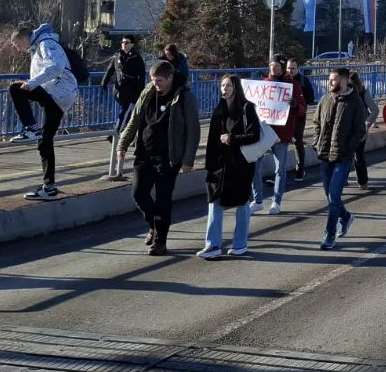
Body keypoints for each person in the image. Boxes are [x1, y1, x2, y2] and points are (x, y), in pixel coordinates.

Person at [117, 60, 199, 256]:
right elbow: (135, 119)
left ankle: (160, 241)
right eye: (154, 80)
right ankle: (153, 225)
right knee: (138, 194)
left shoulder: (183, 96)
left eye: (160, 81)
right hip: (144, 152)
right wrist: (123, 144)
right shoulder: (148, 92)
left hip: (168, 157)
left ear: (170, 78)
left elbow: (193, 130)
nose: (156, 84)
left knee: (163, 199)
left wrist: (188, 160)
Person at [7, 23, 80, 201]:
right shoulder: (40, 44)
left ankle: (30, 127)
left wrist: (32, 83)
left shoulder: (45, 43)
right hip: (59, 97)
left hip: (57, 90)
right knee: (45, 141)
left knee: (15, 89)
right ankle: (49, 187)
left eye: (18, 45)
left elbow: (55, 67)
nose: (18, 49)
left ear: (25, 38)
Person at [200, 75, 261, 259]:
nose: (224, 89)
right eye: (222, 85)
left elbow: (254, 135)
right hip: (219, 165)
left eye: (228, 85)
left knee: (241, 202)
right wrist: (209, 164)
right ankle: (213, 245)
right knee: (214, 201)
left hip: (239, 164)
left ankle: (240, 244)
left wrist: (232, 139)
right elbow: (212, 139)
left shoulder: (247, 108)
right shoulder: (219, 109)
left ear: (236, 88)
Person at [311, 67, 368, 250]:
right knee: (329, 196)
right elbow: (317, 122)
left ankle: (329, 234)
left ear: (343, 81)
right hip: (325, 154)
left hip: (343, 156)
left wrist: (348, 147)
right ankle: (346, 217)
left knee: (334, 195)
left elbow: (360, 130)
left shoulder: (355, 102)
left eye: (333, 80)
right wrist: (316, 142)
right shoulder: (326, 99)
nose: (330, 83)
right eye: (330, 80)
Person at [251, 56, 306, 214]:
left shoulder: (293, 85)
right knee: (254, 165)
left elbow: (302, 109)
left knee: (280, 169)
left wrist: (295, 105)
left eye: (276, 66)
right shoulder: (265, 84)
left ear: (282, 68)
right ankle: (258, 200)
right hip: (264, 131)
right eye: (271, 65)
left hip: (282, 133)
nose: (273, 68)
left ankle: (276, 202)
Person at [100, 34, 146, 133]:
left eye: (127, 42)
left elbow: (142, 76)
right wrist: (104, 83)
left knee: (124, 112)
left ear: (132, 44)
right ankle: (128, 132)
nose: (124, 44)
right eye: (123, 42)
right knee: (126, 113)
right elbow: (110, 70)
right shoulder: (117, 56)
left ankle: (116, 132)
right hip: (118, 90)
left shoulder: (137, 58)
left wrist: (140, 91)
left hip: (131, 90)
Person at [285, 57, 317, 180]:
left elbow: (311, 98)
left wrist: (298, 101)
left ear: (298, 68)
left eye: (293, 68)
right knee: (282, 141)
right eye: (288, 68)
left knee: (297, 141)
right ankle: (281, 169)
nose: (290, 70)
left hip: (298, 115)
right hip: (284, 116)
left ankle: (300, 168)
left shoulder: (304, 81)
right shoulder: (284, 80)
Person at [350, 72, 379, 189]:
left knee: (359, 156)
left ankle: (363, 181)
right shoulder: (343, 92)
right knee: (344, 156)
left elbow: (375, 110)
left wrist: (367, 124)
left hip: (360, 131)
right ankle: (342, 180)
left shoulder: (363, 93)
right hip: (346, 130)